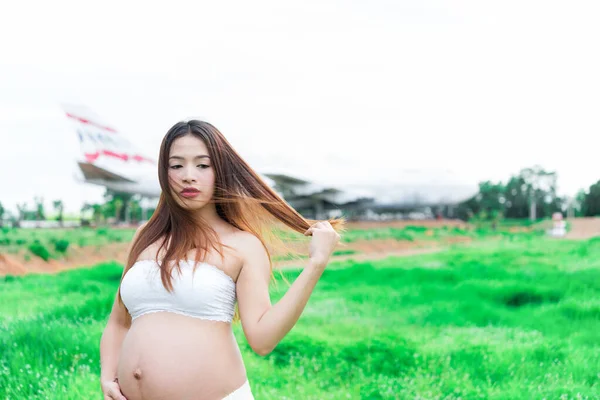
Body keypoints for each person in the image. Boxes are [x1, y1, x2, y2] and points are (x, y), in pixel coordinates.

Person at [99, 120, 343, 400]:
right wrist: (107, 377)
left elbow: (262, 340)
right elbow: (118, 322)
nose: (188, 176)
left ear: (221, 172)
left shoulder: (244, 245)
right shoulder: (147, 235)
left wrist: (315, 265)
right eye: (176, 165)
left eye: (203, 165)